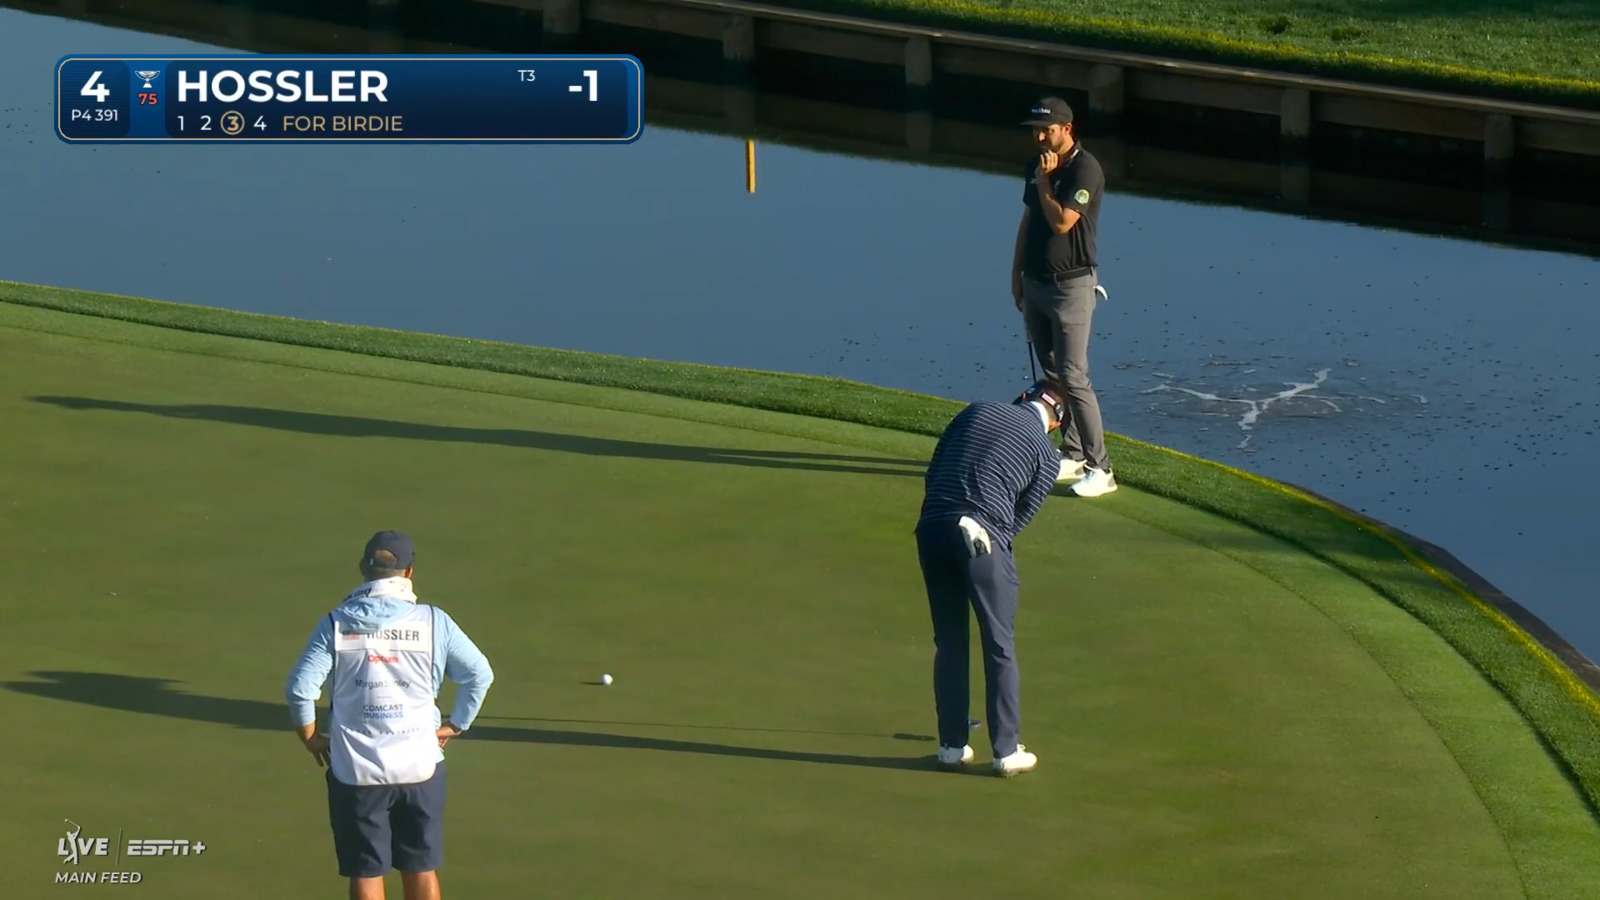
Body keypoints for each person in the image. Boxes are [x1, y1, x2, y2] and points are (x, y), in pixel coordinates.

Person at [285, 531, 495, 900]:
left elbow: (300, 688)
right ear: (409, 572)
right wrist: (456, 724)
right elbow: (479, 674)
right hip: (420, 767)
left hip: (355, 772)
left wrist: (311, 737)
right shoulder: (435, 621)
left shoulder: (335, 622)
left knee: (367, 871)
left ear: (363, 569)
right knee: (420, 867)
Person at [915, 382, 1065, 776]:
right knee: (999, 643)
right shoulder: (1047, 457)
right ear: (1056, 423)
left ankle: (951, 746)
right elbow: (1018, 519)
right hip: (981, 532)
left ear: (1024, 396)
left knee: (949, 641)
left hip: (931, 528)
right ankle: (1005, 750)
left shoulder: (975, 410)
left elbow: (933, 472)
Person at [1011, 96, 1117, 498]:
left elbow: (1061, 223)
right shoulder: (1035, 163)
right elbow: (1028, 222)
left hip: (1071, 286)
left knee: (1074, 377)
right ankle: (1071, 453)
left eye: (1047, 130)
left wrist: (1044, 182)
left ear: (1066, 129)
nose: (1039, 137)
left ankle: (1101, 468)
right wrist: (1015, 274)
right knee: (1053, 373)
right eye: (1036, 130)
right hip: (1036, 283)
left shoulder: (1085, 169)